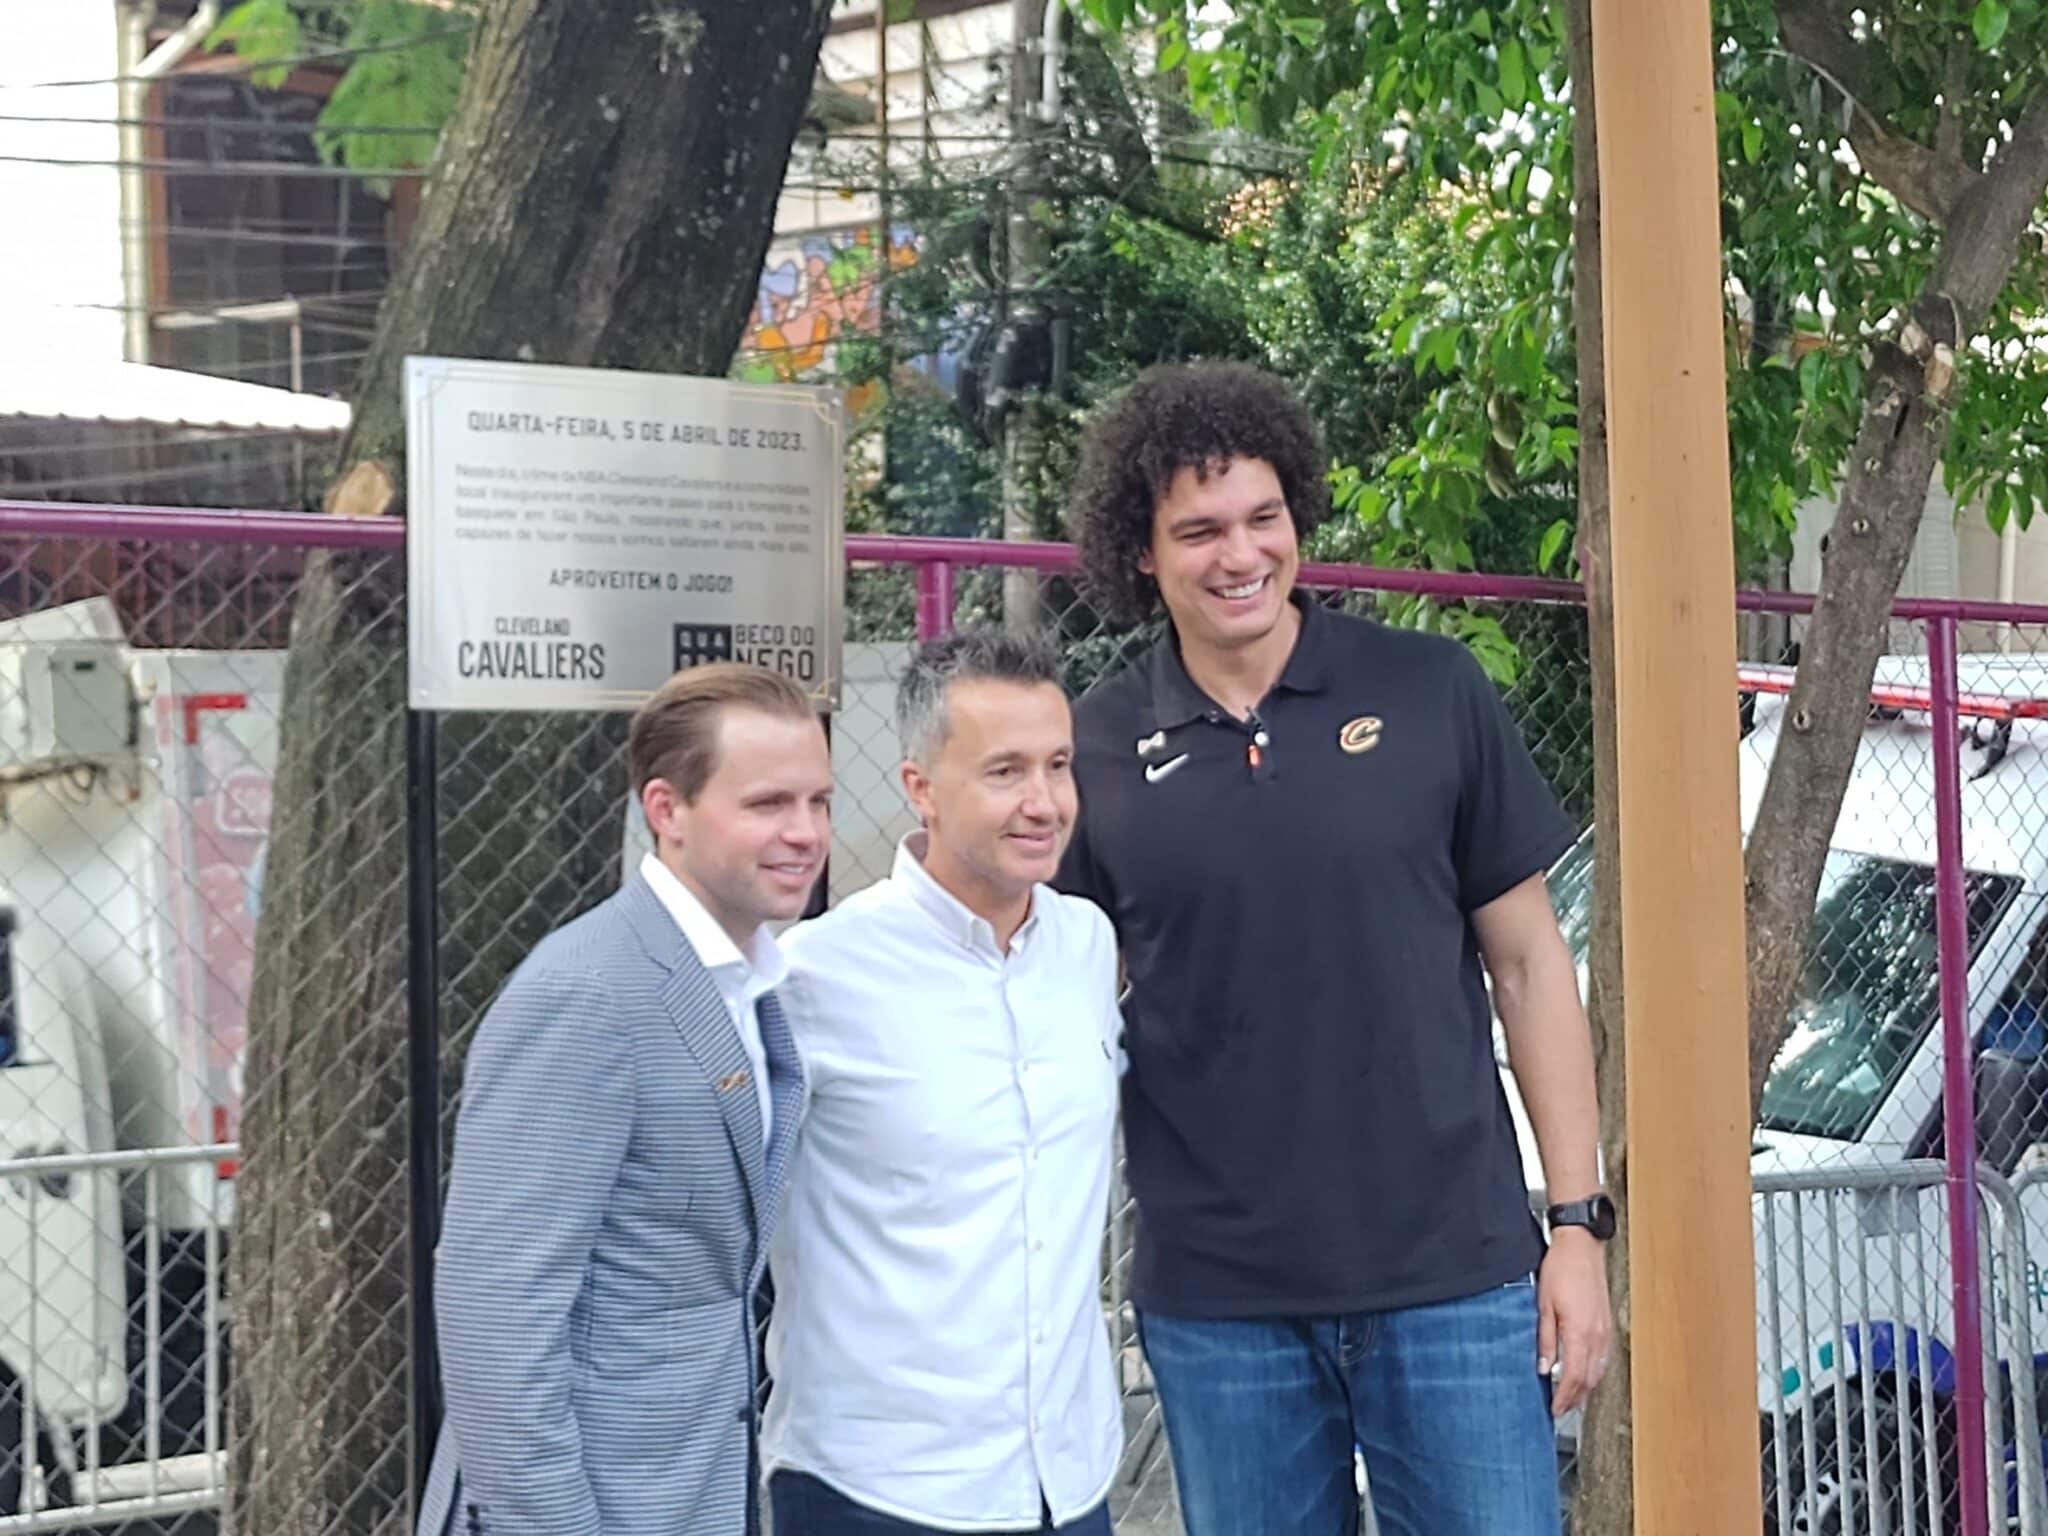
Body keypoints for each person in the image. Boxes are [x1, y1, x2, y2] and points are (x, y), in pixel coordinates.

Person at [1055, 360, 1611, 1536]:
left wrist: (1576, 1228)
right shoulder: (1093, 746)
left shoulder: (1429, 689)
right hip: (1218, 1303)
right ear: (1140, 553)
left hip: (1452, 1281)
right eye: (1196, 529)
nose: (1237, 554)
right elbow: (1060, 1005)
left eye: (1262, 517)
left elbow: (1527, 968)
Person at [417, 663, 832, 1536]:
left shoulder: (747, 983)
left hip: (696, 1493)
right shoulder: (585, 995)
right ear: (666, 810)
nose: (805, 834)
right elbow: (498, 1320)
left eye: (818, 802)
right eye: (767, 805)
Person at [763, 628, 1124, 1536]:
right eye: (1005, 772)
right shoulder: (810, 979)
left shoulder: (1086, 946)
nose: (1044, 802)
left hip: (1068, 1480)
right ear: (919, 787)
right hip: (880, 1490)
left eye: (1058, 765)